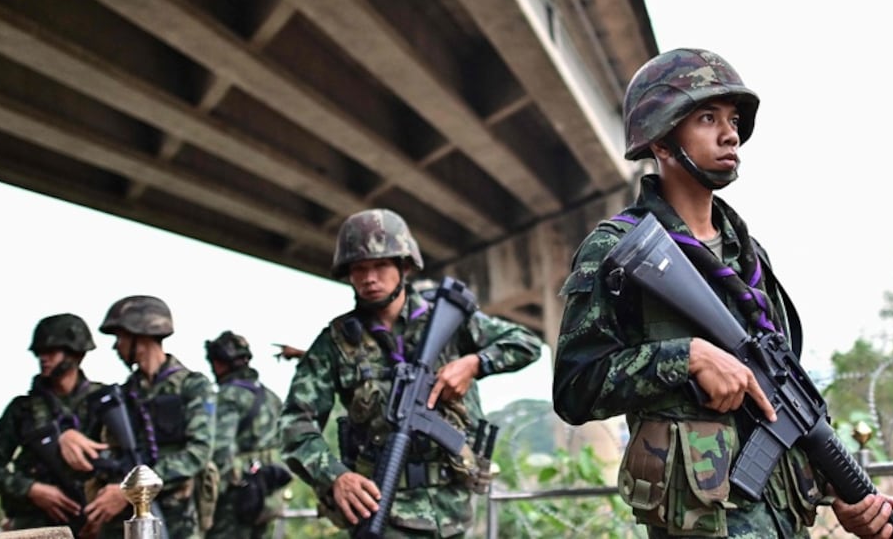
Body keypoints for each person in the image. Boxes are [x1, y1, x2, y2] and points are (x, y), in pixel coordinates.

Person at [551, 48, 893, 538]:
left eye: (733, 119)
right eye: (706, 117)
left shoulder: (749, 258)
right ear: (662, 139)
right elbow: (574, 388)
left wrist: (843, 493)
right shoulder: (617, 252)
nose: (730, 133)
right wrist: (686, 357)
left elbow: (781, 396)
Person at [279, 208, 544, 537]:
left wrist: (475, 364)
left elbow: (527, 342)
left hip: (455, 508)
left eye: (380, 265)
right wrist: (335, 476)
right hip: (384, 511)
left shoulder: (446, 320)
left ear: (404, 266)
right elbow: (295, 424)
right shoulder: (334, 344)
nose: (369, 278)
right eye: (359, 268)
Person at [59, 295, 217, 539]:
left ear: (140, 335)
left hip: (177, 520)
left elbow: (197, 453)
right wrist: (68, 435)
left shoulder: (192, 386)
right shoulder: (121, 395)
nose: (116, 347)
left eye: (120, 337)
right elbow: (91, 440)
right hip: (122, 523)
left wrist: (129, 491)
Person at [0, 313, 107, 536]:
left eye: (51, 352)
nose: (43, 358)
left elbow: (130, 460)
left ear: (75, 353)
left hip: (97, 525)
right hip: (38, 526)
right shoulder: (22, 409)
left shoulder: (106, 402)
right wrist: (32, 490)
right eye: (39, 353)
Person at [204, 330, 292, 539]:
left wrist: (211, 494)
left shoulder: (228, 397)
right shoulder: (271, 396)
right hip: (269, 493)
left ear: (220, 362)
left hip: (237, 496)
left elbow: (220, 450)